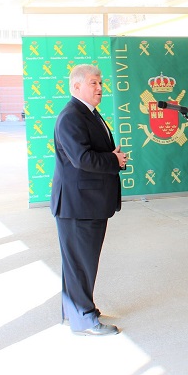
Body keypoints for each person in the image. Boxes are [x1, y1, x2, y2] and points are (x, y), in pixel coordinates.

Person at [52, 64, 127, 336]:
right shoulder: (72, 116)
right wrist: (113, 159)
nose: (99, 88)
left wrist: (112, 156)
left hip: (88, 202)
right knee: (80, 263)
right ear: (76, 87)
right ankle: (83, 319)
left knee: (79, 263)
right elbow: (81, 159)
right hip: (77, 204)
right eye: (93, 83)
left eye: (100, 83)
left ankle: (75, 312)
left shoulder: (89, 114)